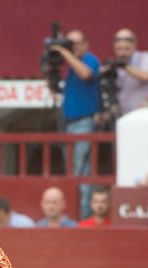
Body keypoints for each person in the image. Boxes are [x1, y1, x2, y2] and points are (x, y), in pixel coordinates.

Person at [49, 29, 100, 218]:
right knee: (73, 171)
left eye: (75, 43)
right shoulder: (72, 64)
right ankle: (77, 212)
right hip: (71, 122)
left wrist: (65, 53)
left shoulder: (90, 59)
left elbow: (86, 74)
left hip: (84, 121)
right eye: (69, 44)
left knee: (81, 171)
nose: (71, 47)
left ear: (85, 44)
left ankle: (84, 215)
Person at [108, 29, 148, 117]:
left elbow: (145, 76)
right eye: (119, 49)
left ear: (134, 46)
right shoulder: (116, 66)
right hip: (125, 115)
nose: (122, 53)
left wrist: (124, 67)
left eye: (126, 49)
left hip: (147, 114)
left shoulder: (145, 58)